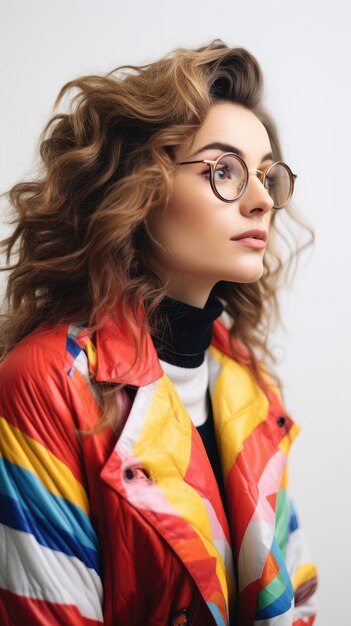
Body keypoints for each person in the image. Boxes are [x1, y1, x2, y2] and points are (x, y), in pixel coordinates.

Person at [0, 40, 318, 626]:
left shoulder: (248, 387)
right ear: (140, 188)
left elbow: (295, 605)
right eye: (224, 171)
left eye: (268, 177)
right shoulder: (47, 379)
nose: (259, 202)